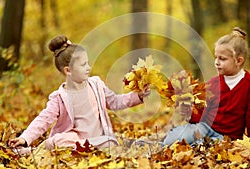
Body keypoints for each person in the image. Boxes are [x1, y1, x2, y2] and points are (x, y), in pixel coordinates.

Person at [8, 35, 150, 152]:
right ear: (68, 70)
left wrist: (138, 96)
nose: (88, 68)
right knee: (57, 141)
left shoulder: (96, 85)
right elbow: (43, 120)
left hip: (99, 139)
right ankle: (34, 151)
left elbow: (115, 102)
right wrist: (25, 138)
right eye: (83, 65)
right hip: (75, 139)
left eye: (87, 63)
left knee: (110, 144)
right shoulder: (59, 97)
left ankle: (43, 151)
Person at [163, 27, 250, 146]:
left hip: (227, 137)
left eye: (222, 58)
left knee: (212, 146)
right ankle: (165, 143)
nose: (216, 62)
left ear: (239, 61)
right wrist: (187, 106)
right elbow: (200, 111)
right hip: (205, 126)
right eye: (216, 57)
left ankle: (198, 144)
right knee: (178, 138)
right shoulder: (213, 83)